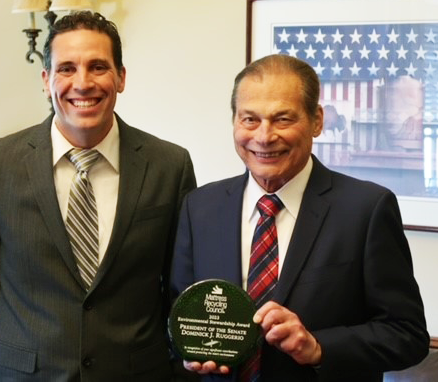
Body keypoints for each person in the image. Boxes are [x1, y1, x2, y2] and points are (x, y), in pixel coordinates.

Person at [0, 11, 197, 381]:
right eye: (66, 68)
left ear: (121, 77)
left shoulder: (170, 166)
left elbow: (182, 299)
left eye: (98, 67)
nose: (83, 83)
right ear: (46, 80)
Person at [170, 54, 429, 382]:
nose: (264, 137)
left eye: (282, 119)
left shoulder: (366, 209)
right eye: (250, 119)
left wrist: (319, 346)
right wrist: (191, 354)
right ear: (234, 121)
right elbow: (179, 312)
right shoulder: (200, 207)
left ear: (317, 120)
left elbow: (407, 335)